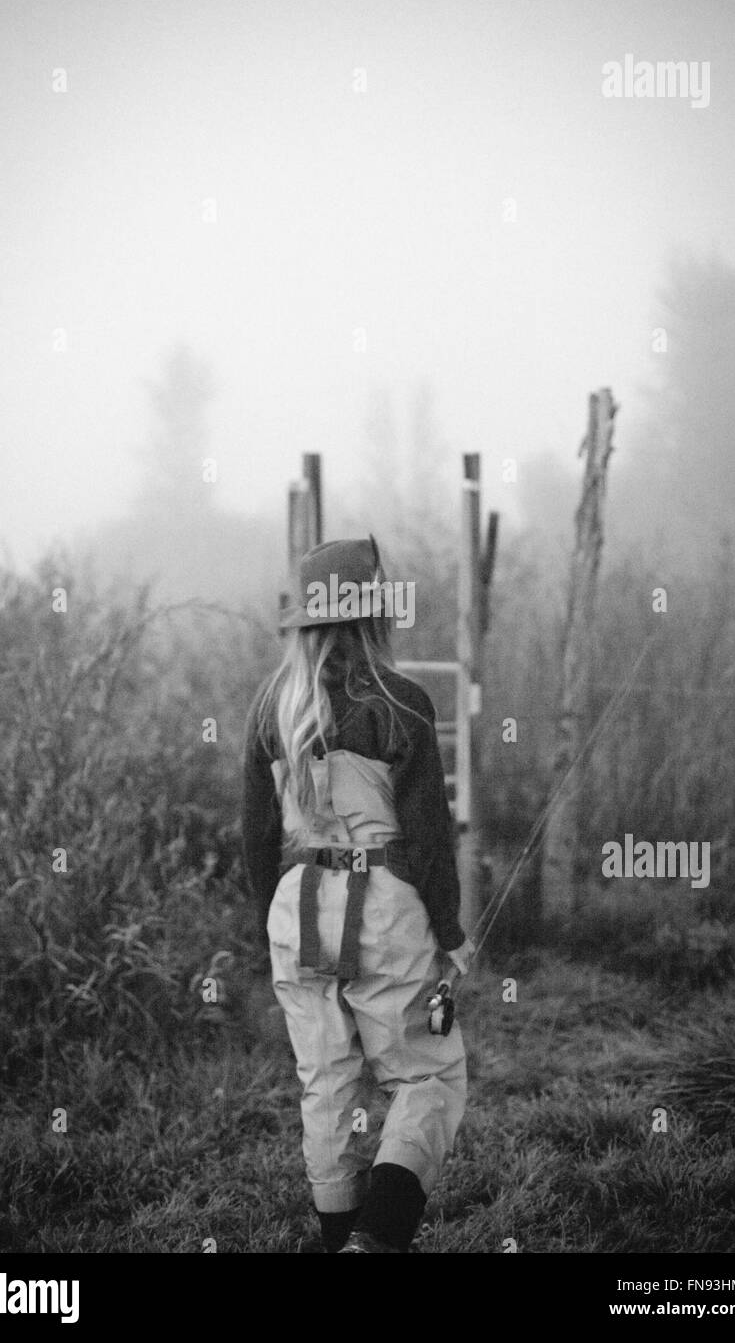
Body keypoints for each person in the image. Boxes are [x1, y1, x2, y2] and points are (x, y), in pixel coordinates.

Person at [241, 535, 473, 1253]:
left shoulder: (268, 706)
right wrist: (452, 933)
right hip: (384, 907)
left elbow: (254, 836)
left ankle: (338, 1230)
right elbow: (429, 835)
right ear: (376, 614)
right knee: (427, 1074)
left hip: (296, 907)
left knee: (327, 1077)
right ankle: (375, 1237)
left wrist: (266, 925)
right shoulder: (403, 702)